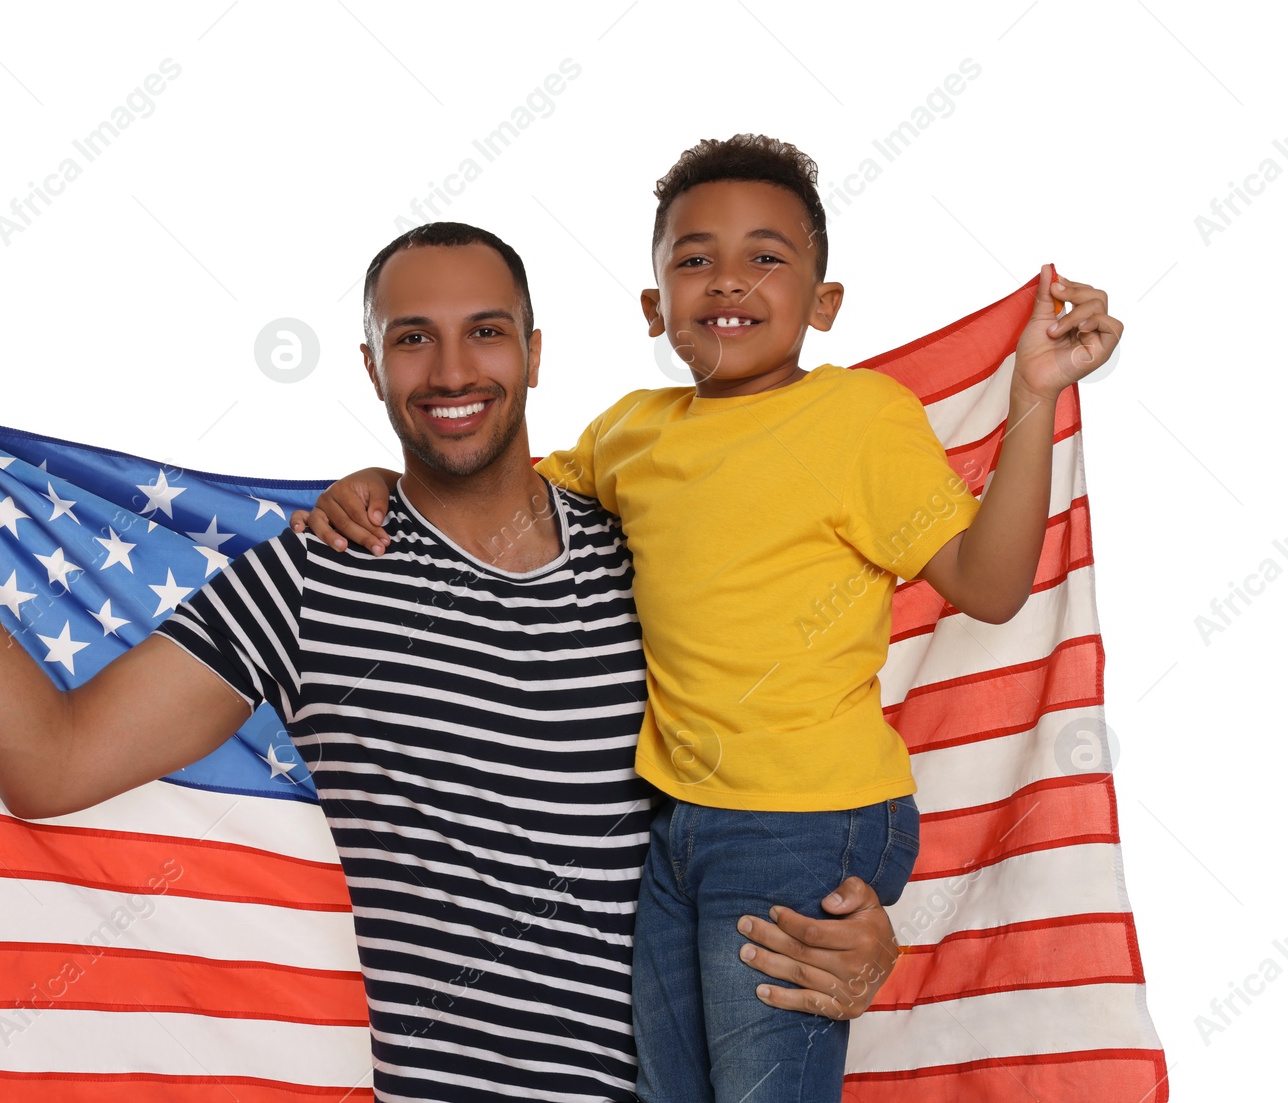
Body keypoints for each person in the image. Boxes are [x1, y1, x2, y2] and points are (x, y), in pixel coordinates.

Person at [0, 220, 902, 1102]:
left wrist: (853, 931)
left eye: (484, 331)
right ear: (373, 365)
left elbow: (796, 754)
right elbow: (46, 764)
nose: (452, 369)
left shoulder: (655, 547)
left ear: (534, 349)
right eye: (412, 338)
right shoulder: (315, 573)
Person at [295, 136, 1124, 1102]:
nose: (727, 280)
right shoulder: (633, 433)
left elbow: (988, 585)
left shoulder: (858, 417)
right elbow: (490, 501)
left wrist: (1031, 395)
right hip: (678, 823)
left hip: (804, 814)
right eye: (694, 259)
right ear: (655, 305)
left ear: (825, 303)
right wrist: (381, 481)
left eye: (766, 257)